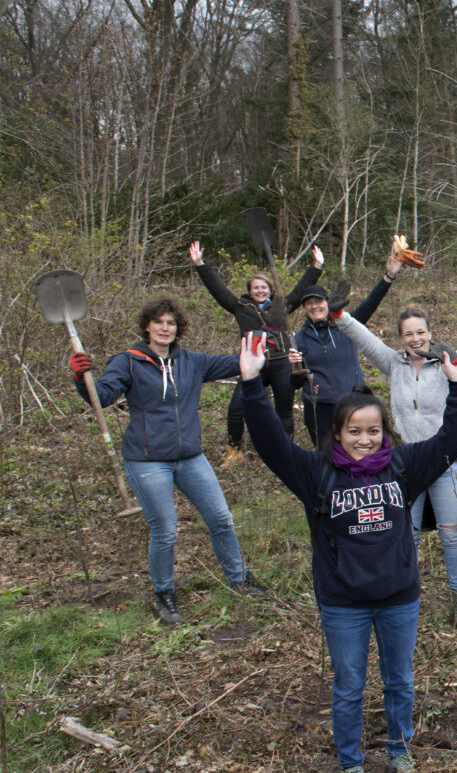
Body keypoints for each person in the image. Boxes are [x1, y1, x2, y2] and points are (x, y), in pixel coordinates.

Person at [240, 332, 457, 773]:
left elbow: (452, 439)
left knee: (399, 680)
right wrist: (251, 385)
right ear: (338, 433)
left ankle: (400, 749)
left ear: (384, 432)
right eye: (354, 431)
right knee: (348, 685)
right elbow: (271, 444)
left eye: (373, 431)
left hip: (398, 597)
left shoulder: (402, 467)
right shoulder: (316, 472)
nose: (364, 440)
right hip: (343, 601)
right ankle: (350, 763)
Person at [67, 298, 266, 625]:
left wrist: (258, 349)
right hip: (147, 462)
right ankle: (164, 593)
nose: (164, 328)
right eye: (158, 322)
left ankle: (240, 579)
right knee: (166, 531)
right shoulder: (128, 362)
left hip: (191, 458)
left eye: (170, 323)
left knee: (222, 519)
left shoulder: (191, 362)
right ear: (147, 326)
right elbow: (100, 397)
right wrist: (80, 378)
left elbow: (236, 364)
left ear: (178, 329)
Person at [335, 306, 457, 625]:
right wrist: (340, 316)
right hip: (407, 463)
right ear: (400, 338)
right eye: (408, 333)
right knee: (404, 534)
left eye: (420, 331)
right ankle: (402, 598)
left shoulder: (443, 359)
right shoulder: (393, 363)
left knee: (451, 535)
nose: (415, 338)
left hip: (444, 462)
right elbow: (365, 340)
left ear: (430, 333)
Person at [189, 241, 323, 464]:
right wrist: (200, 264)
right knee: (236, 408)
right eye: (256, 288)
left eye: (264, 287)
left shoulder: (282, 305)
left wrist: (316, 266)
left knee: (284, 411)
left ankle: (285, 451)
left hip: (281, 363)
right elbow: (216, 288)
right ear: (250, 291)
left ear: (270, 289)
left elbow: (302, 289)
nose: (260, 291)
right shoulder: (239, 307)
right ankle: (234, 451)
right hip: (252, 365)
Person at [289, 252, 402, 448]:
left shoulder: (346, 327)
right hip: (319, 409)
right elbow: (295, 383)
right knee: (327, 455)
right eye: (309, 303)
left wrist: (389, 276)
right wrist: (293, 368)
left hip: (354, 403)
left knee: (360, 451)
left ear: (327, 303)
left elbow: (371, 303)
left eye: (319, 301)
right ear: (304, 308)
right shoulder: (298, 339)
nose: (315, 306)